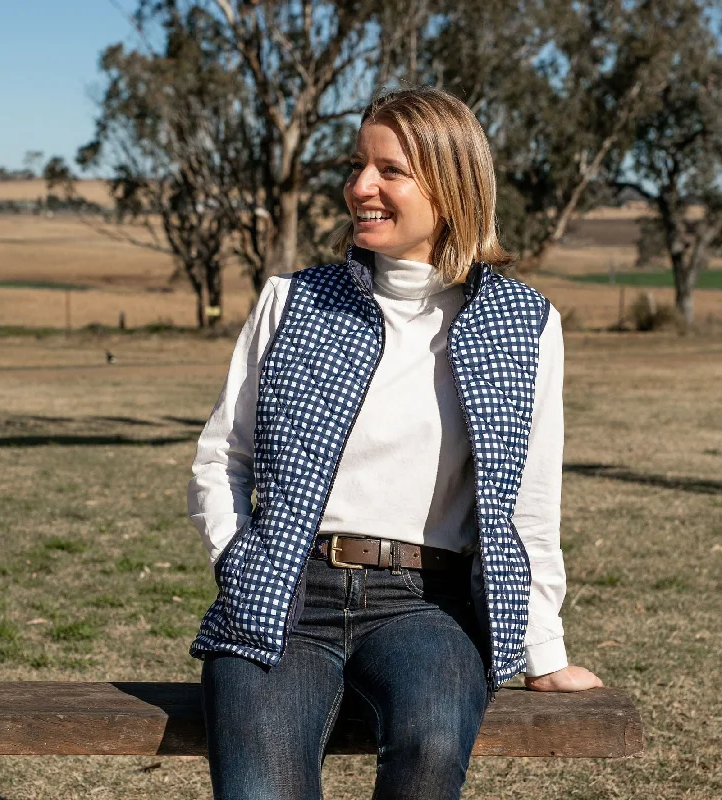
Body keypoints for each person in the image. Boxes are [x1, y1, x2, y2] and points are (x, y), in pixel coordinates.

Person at [188, 87, 602, 800]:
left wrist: (544, 650)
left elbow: (527, 506)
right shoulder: (292, 302)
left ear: (451, 185)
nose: (360, 187)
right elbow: (222, 457)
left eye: (390, 170)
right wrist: (240, 557)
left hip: (426, 606)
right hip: (287, 588)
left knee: (434, 743)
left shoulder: (524, 325)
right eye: (357, 165)